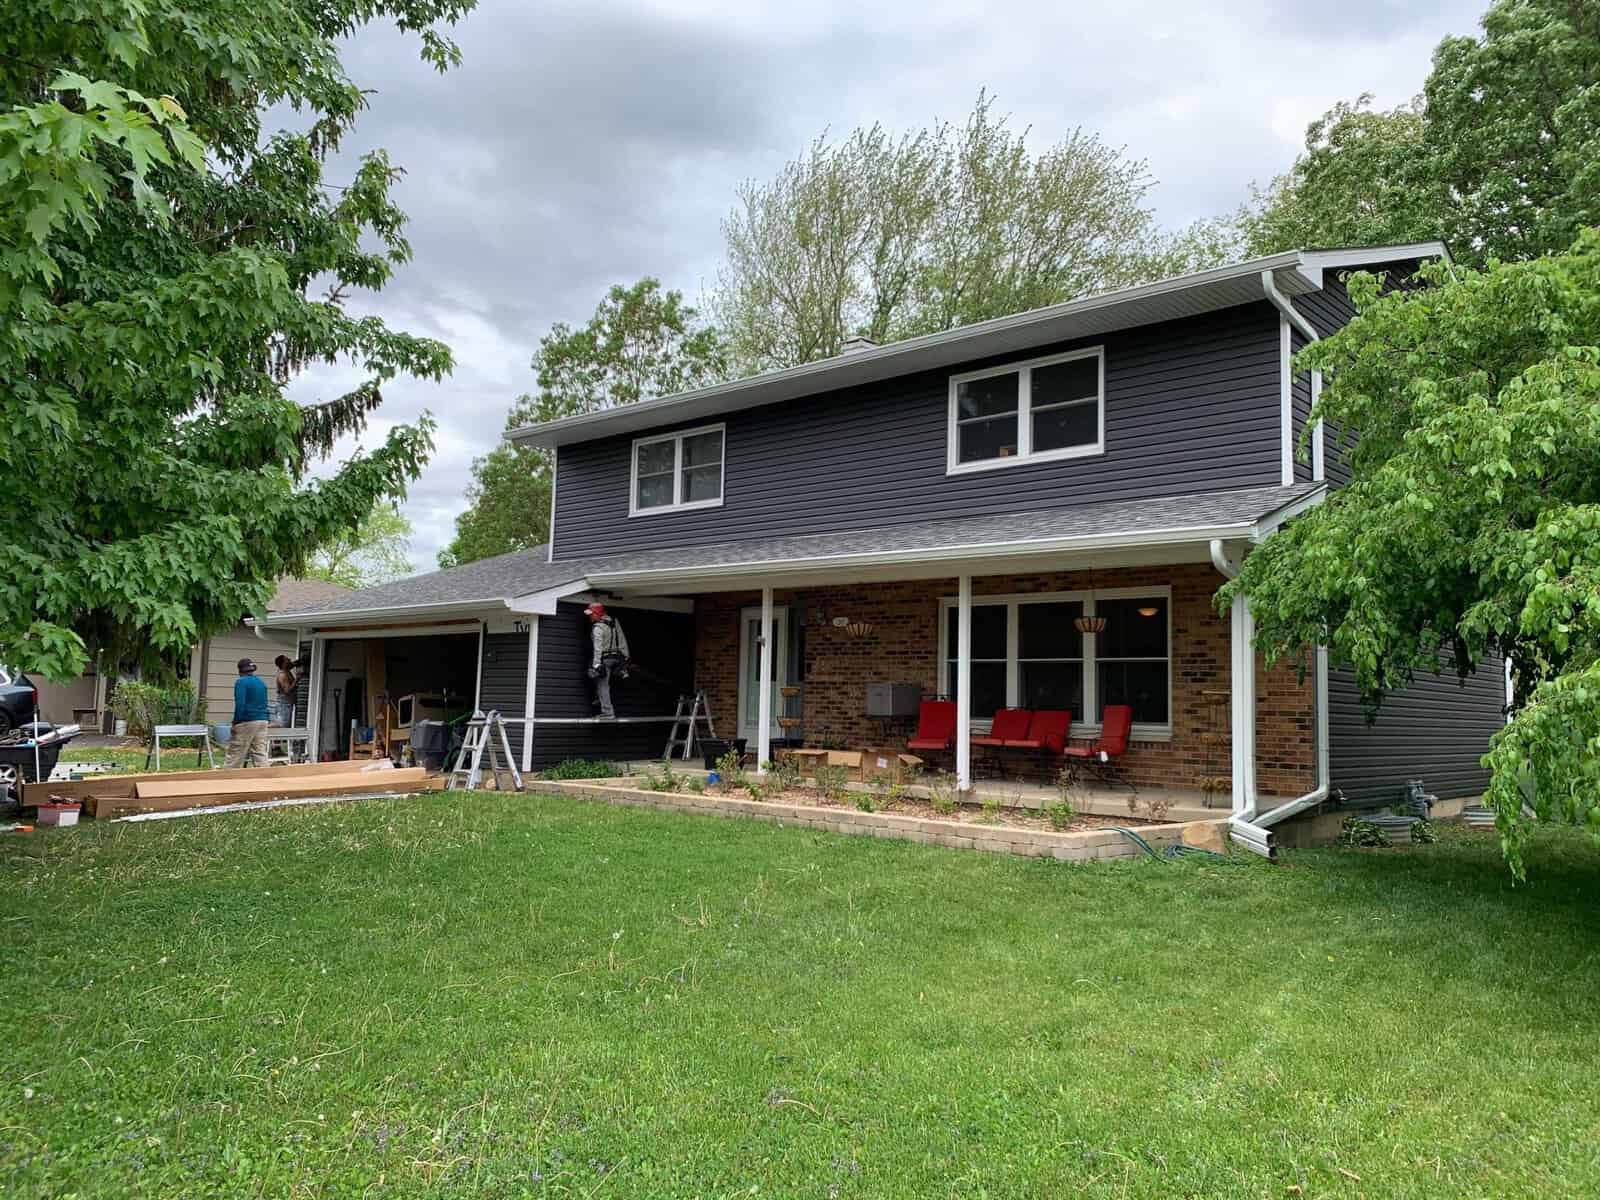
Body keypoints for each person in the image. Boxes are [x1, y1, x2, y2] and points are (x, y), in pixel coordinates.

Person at [584, 603, 629, 719]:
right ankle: (600, 698)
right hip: (617, 657)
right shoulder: (614, 622)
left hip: (605, 659)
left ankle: (608, 712)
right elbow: (621, 638)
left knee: (602, 684)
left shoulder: (597, 628)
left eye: (592, 614)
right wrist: (625, 656)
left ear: (598, 613)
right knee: (600, 682)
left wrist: (596, 665)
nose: (590, 617)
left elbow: (597, 648)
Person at [226, 657, 271, 767]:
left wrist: (235, 723)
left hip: (247, 721)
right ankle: (265, 779)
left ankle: (227, 779)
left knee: (235, 754)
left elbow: (240, 704)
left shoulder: (241, 682)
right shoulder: (261, 682)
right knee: (260, 753)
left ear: (240, 671)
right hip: (263, 720)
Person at [272, 654, 298, 727]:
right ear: (283, 664)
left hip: (287, 705)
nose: (289, 659)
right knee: (283, 727)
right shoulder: (282, 675)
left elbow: (292, 664)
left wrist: (299, 662)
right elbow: (287, 691)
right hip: (284, 706)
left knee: (284, 726)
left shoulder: (286, 670)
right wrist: (297, 680)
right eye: (287, 659)